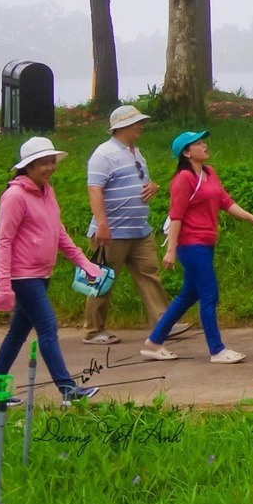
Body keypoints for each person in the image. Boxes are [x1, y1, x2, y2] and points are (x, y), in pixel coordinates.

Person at [0, 137, 104, 404]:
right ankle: (68, 390)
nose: (50, 168)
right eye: (43, 163)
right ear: (28, 166)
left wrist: (85, 263)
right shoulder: (14, 196)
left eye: (52, 162)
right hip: (23, 276)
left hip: (41, 274)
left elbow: (58, 232)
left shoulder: (46, 191)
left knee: (17, 333)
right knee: (48, 327)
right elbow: (3, 241)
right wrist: (3, 286)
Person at [143, 129, 253, 363]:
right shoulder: (183, 178)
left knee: (188, 294)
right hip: (191, 245)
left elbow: (225, 201)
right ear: (187, 152)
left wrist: (251, 218)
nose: (204, 145)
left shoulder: (209, 173)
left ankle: (154, 342)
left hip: (206, 243)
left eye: (203, 141)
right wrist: (171, 250)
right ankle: (217, 350)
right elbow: (177, 216)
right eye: (198, 143)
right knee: (209, 294)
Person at [80, 105, 172, 345]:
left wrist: (154, 187)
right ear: (120, 127)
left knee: (149, 274)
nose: (141, 125)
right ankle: (93, 330)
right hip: (112, 231)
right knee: (102, 278)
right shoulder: (104, 154)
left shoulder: (136, 153)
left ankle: (163, 324)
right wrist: (102, 224)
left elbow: (144, 182)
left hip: (139, 229)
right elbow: (94, 190)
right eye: (135, 123)